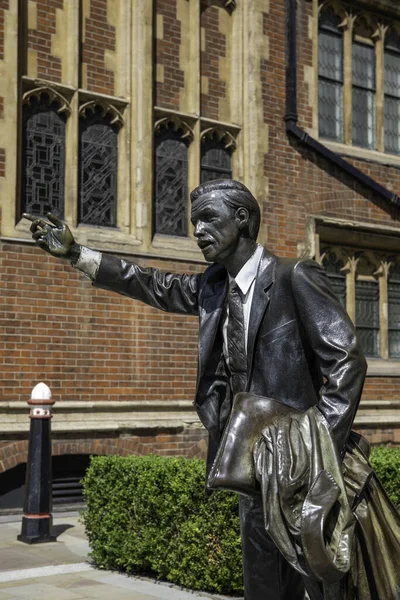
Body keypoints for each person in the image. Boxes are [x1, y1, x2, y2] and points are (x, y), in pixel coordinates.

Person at [24, 179, 367, 600]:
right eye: (193, 222)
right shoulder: (213, 287)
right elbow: (151, 282)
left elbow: (346, 360)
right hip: (252, 463)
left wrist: (317, 444)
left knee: (316, 574)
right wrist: (77, 253)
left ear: (241, 219)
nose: (198, 231)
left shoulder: (293, 276)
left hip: (302, 463)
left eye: (208, 219)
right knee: (262, 580)